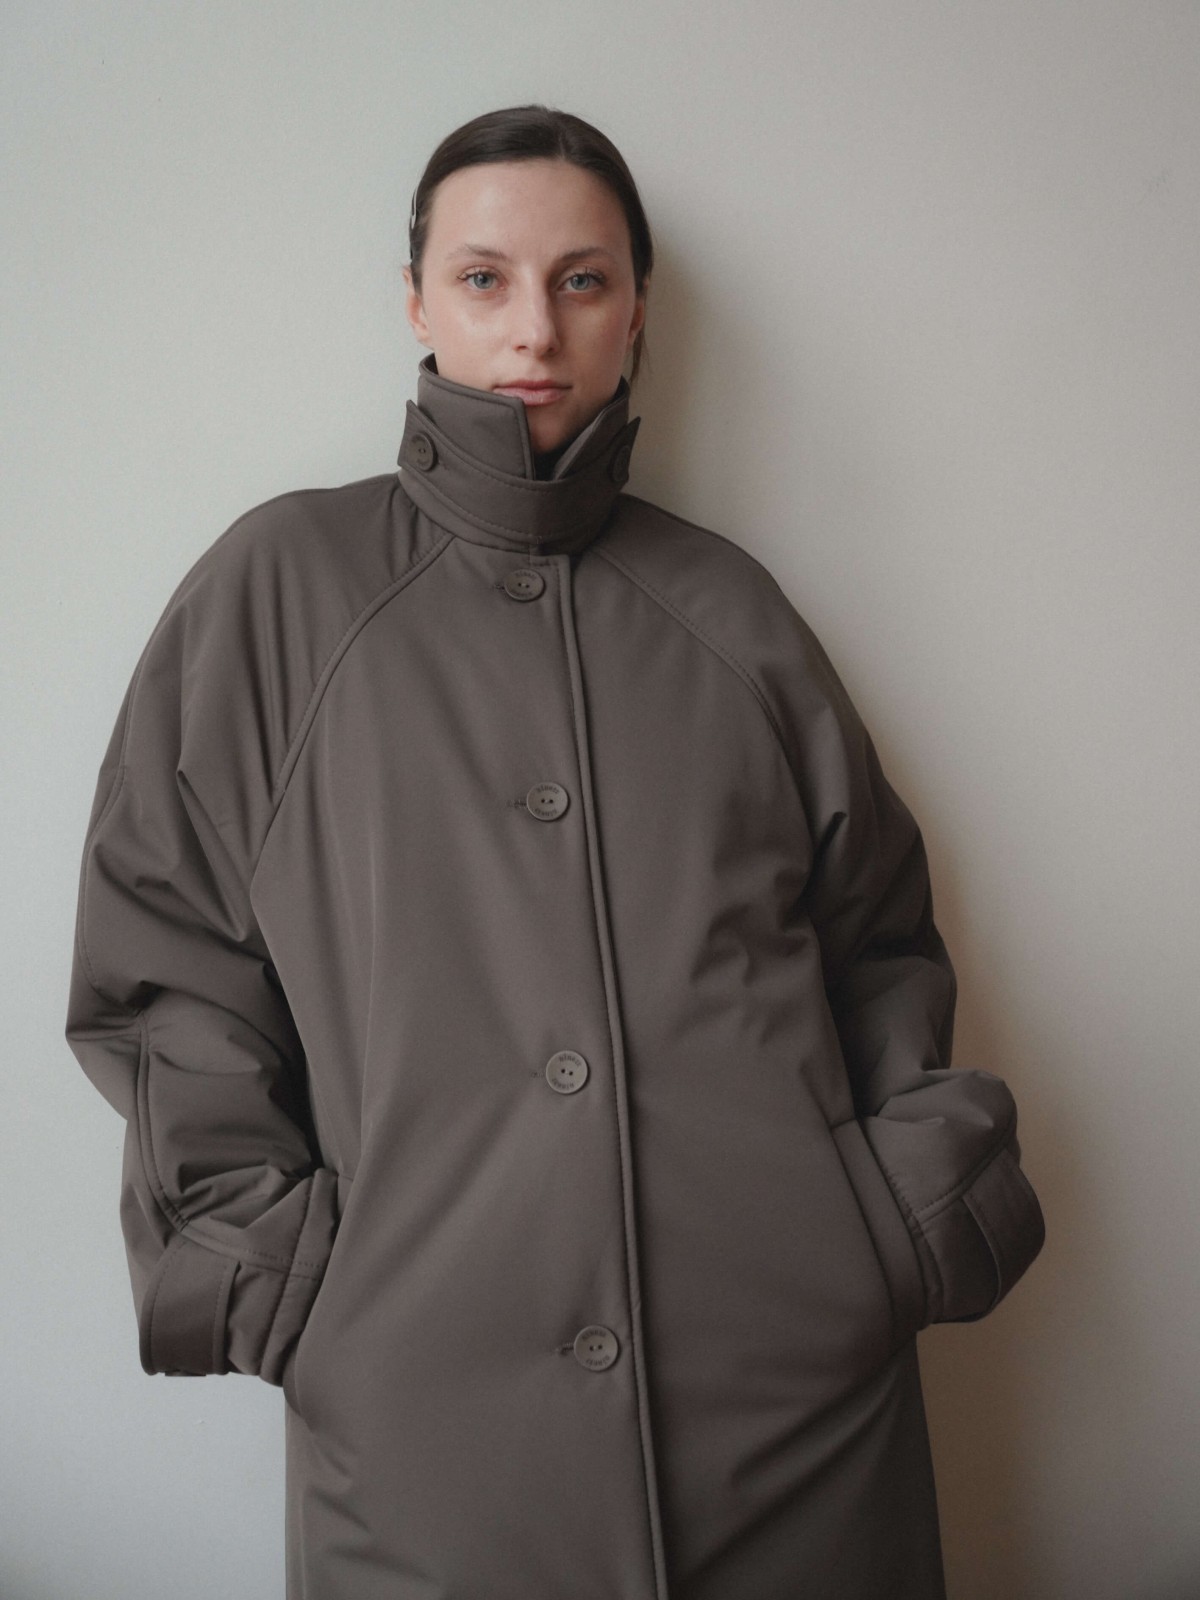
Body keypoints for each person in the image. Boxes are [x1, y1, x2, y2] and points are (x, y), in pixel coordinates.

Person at [65, 103, 1045, 1600]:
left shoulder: (731, 611)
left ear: (636, 308)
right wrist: (286, 1285)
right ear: (416, 302)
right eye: (484, 278)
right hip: (426, 1421)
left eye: (582, 280)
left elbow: (877, 943)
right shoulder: (277, 594)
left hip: (797, 1406)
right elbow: (167, 974)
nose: (535, 327)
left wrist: (887, 1233)